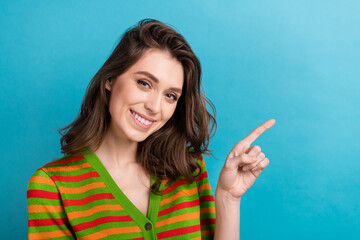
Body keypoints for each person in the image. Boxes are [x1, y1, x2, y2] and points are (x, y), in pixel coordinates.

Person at [27, 18, 275, 240]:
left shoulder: (188, 169)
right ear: (110, 80)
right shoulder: (53, 187)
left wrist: (229, 199)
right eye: (144, 83)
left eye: (170, 95)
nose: (155, 107)